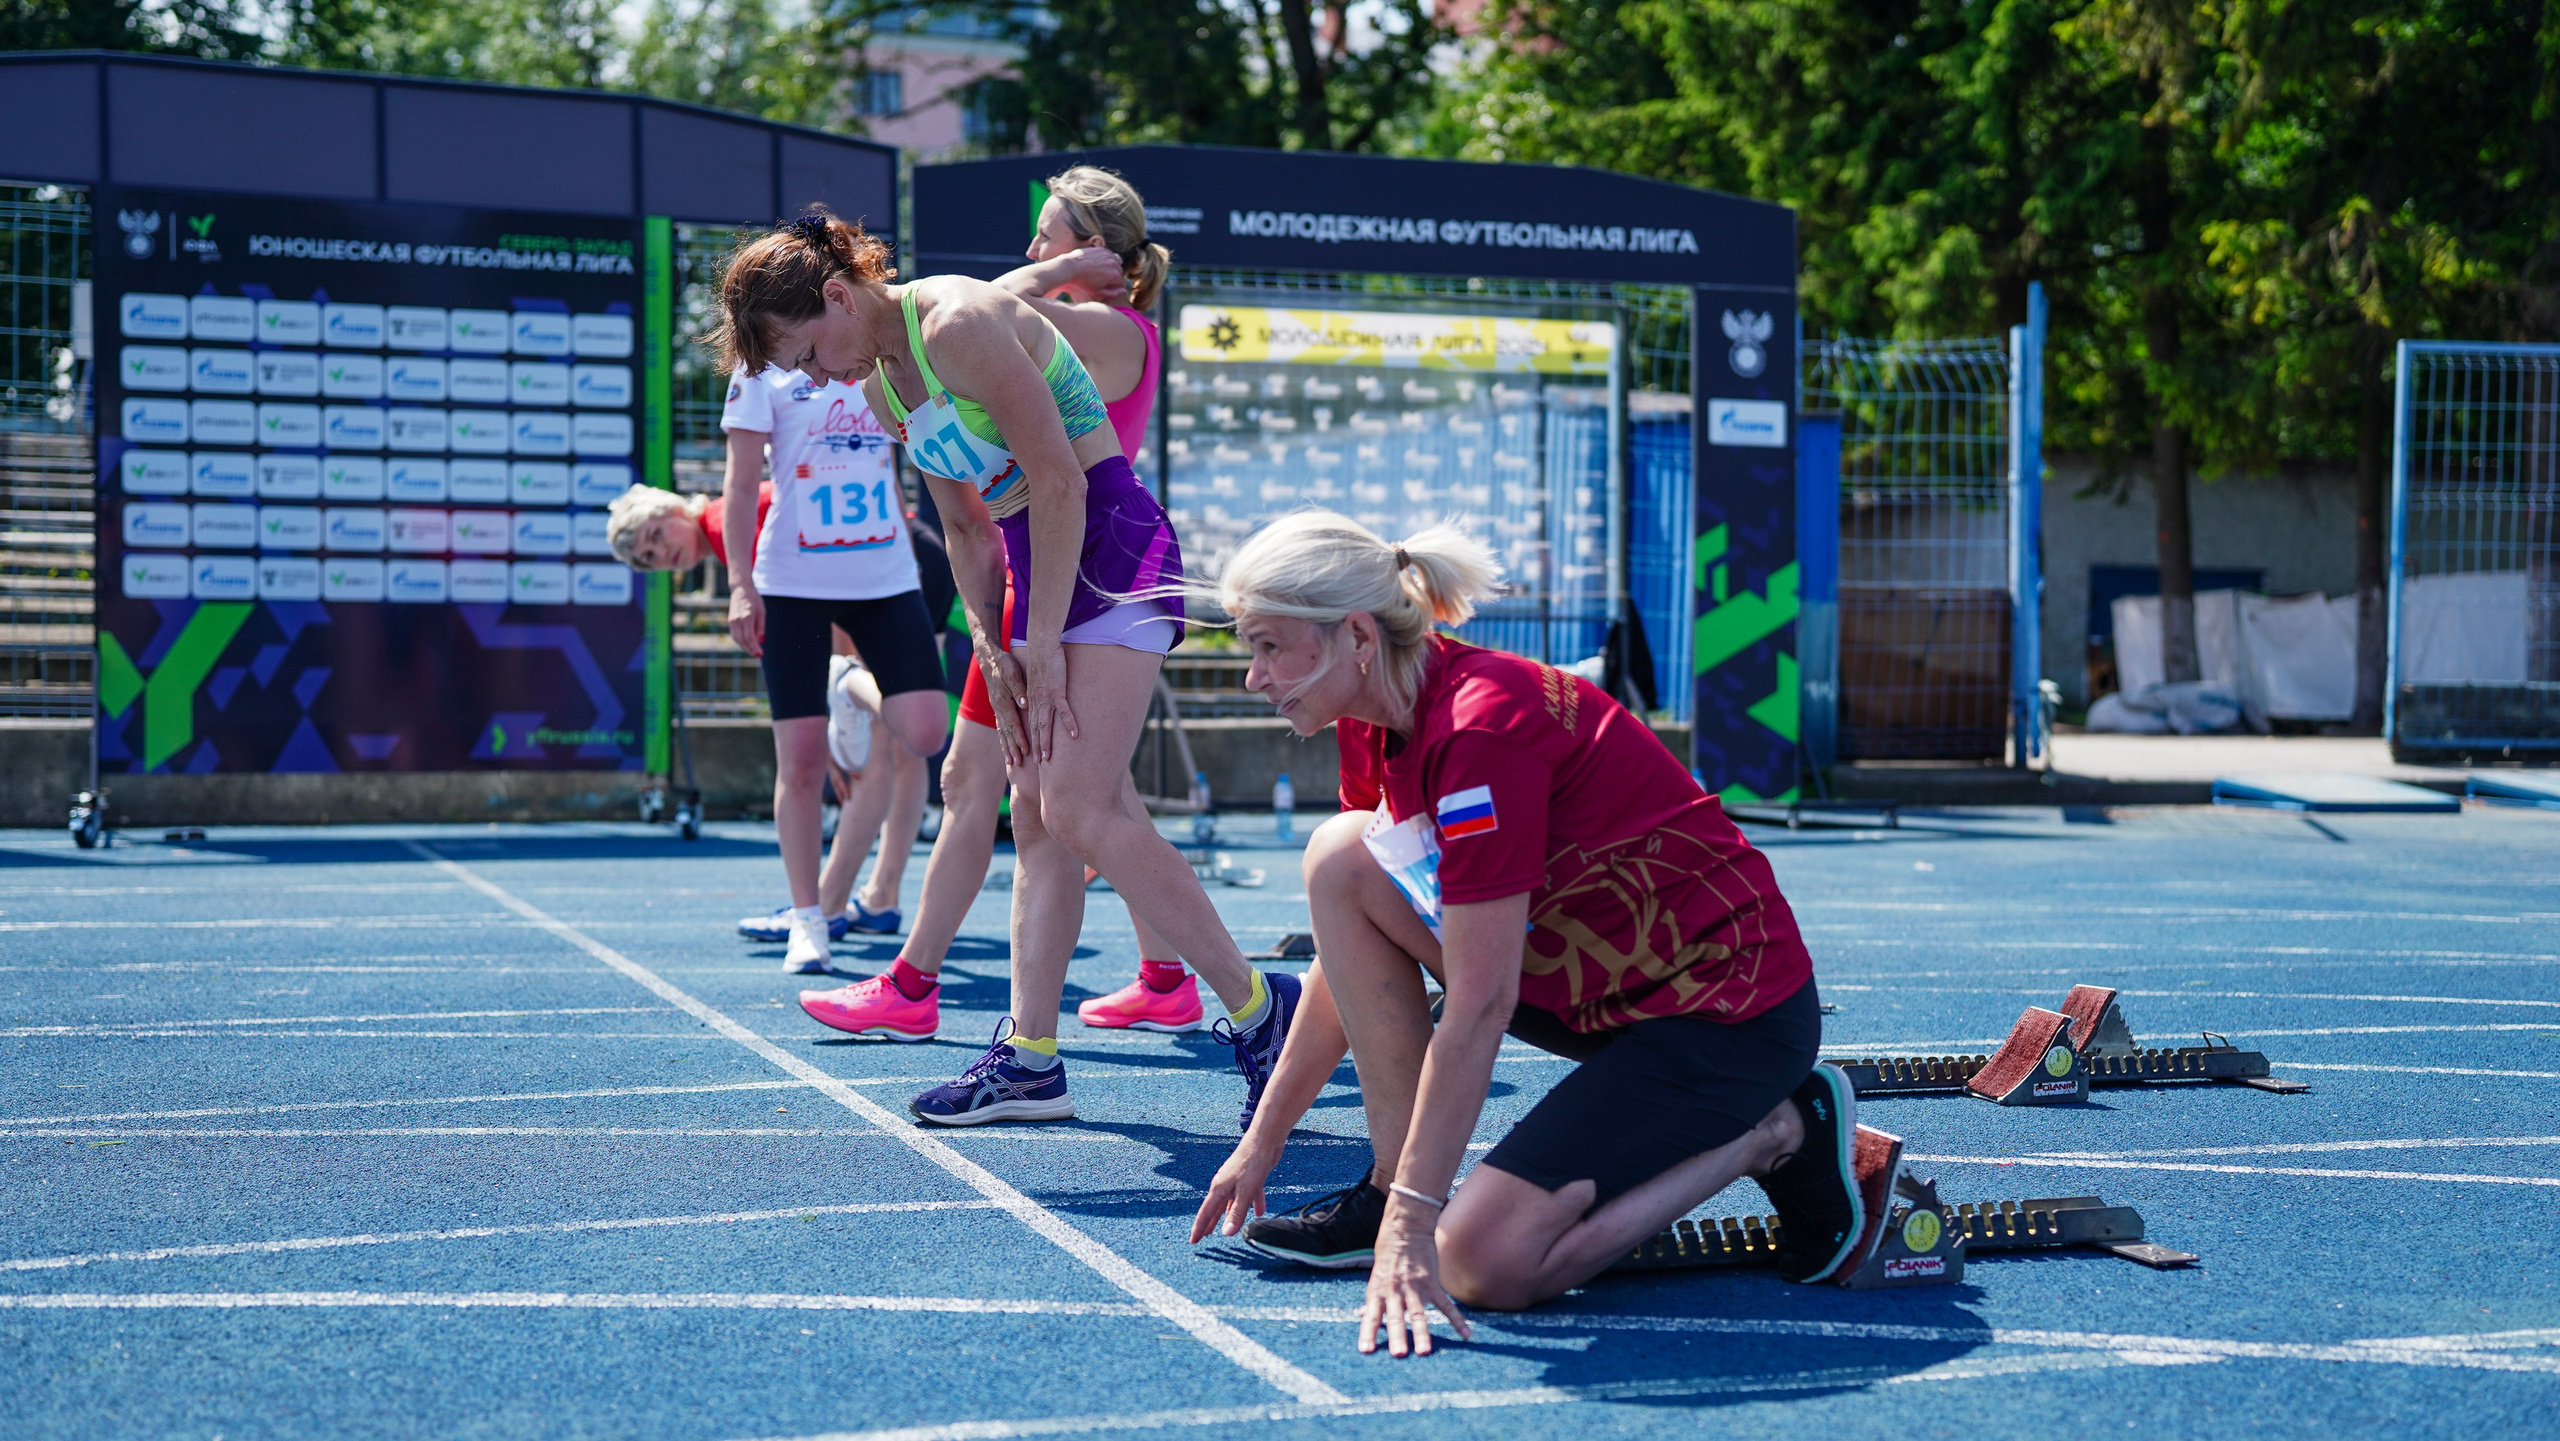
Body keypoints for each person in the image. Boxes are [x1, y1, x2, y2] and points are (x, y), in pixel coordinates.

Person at [1181, 511, 1861, 1356]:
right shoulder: (1376, 712)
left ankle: (1776, 1129)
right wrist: (1265, 1140)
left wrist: (1416, 1229)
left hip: (1728, 1016)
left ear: (1355, 634)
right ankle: (1388, 1180)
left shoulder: (1480, 733)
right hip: (1605, 988)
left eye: (1268, 646)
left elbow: (1479, 1002)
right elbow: (1350, 951)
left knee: (1483, 1263)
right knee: (1341, 859)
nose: (1253, 676)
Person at [709, 208, 1298, 1128]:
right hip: (1035, 566)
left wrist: (1042, 647)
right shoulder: (881, 391)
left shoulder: (955, 322)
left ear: (835, 294)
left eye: (808, 354)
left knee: (1074, 805)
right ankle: (1030, 1057)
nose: (816, 379)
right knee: (1029, 808)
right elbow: (967, 528)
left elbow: (1061, 484)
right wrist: (993, 637)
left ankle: (1267, 1012)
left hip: (1106, 544)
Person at [797, 166, 1208, 1042]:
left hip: (1087, 558)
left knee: (1055, 803)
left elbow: (982, 310)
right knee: (1055, 798)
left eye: (1047, 236)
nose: (1029, 251)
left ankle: (1232, 995)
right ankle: (1155, 979)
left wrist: (1022, 284)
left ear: (1095, 253)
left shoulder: (1111, 326)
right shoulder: (910, 365)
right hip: (1026, 557)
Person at [606, 482, 940, 958]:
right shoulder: (728, 530)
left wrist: (828, 714)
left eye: (657, 534)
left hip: (892, 561)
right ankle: (877, 896)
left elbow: (823, 610)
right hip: (904, 551)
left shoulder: (728, 526)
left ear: (676, 508)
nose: (661, 552)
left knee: (878, 742)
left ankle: (832, 904)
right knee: (898, 743)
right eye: (649, 556)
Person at [719, 355, 949, 974]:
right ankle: (809, 918)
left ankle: (849, 686)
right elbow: (740, 485)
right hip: (793, 581)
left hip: (884, 576)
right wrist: (741, 585)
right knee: (800, 760)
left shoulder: (877, 350)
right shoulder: (759, 370)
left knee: (927, 730)